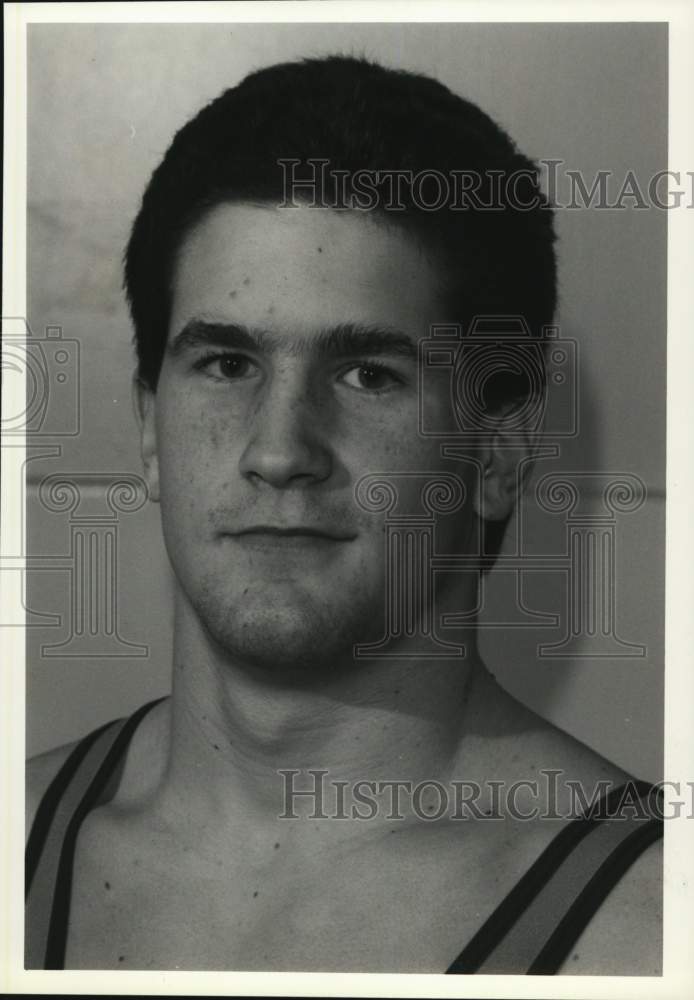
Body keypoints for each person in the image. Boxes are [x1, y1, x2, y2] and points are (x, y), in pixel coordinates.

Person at [25, 54, 662, 974]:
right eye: (227, 365)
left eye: (368, 375)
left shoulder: (646, 934)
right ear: (149, 427)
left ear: (498, 453)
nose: (280, 450)